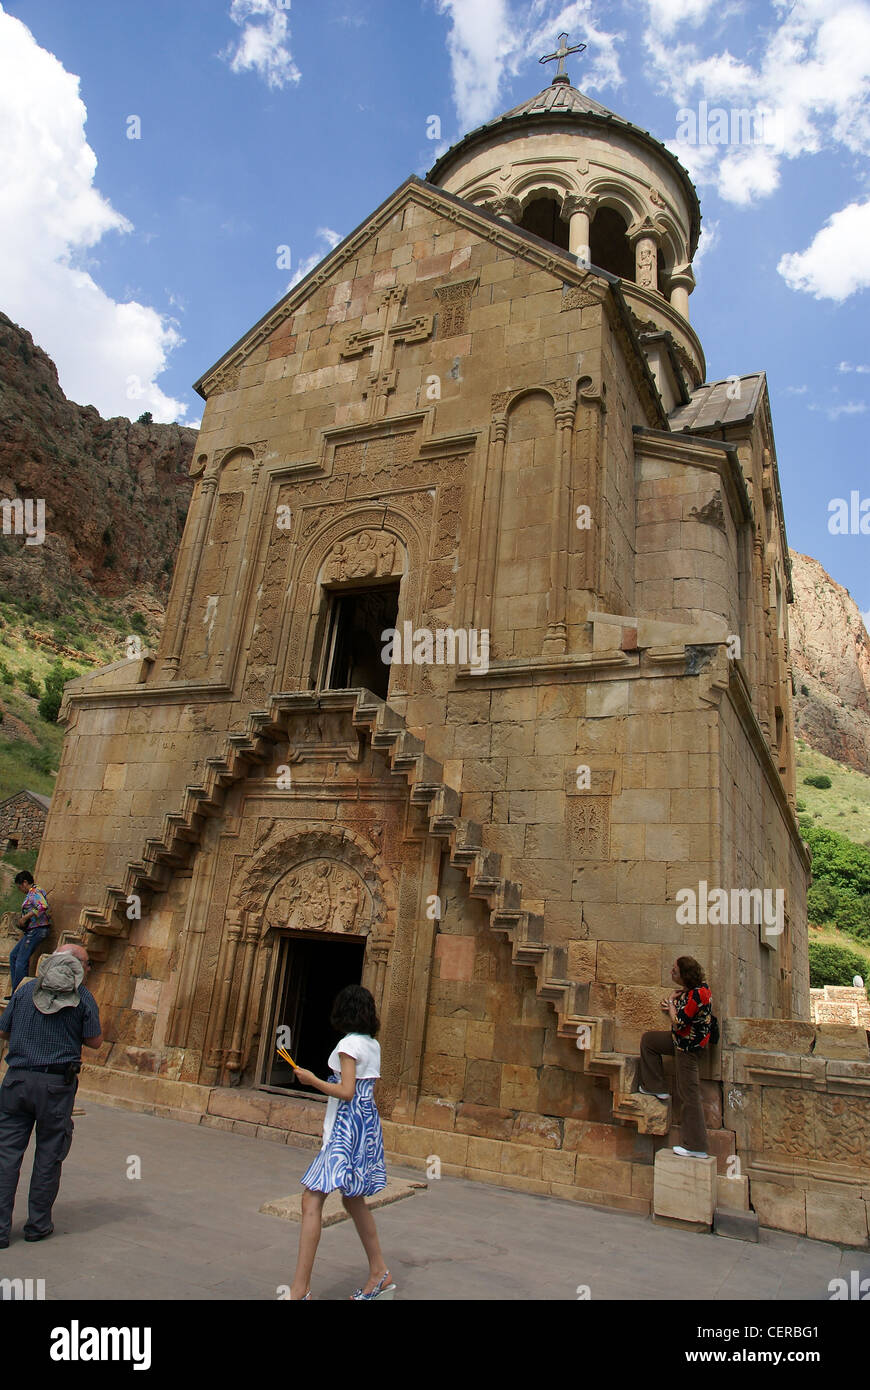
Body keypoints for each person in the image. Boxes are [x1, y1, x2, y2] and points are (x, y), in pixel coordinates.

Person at [287, 984, 395, 1301]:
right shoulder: (372, 1045)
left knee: (311, 1200)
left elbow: (346, 1092)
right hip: (366, 1128)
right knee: (353, 1199)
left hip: (345, 1131)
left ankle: (299, 1292)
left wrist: (312, 1080)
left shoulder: (348, 1045)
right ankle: (380, 1273)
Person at [0, 944, 102, 1246]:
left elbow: (3, 1031)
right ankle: (38, 1225)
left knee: (6, 1156)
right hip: (55, 1086)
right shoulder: (83, 997)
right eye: (87, 964)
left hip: (17, 1081)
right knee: (48, 1154)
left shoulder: (24, 990)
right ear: (77, 966)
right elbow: (95, 1041)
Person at [638, 955, 712, 1159]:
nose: (671, 972)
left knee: (689, 1095)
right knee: (649, 1041)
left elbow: (679, 1022)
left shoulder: (697, 995)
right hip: (680, 1041)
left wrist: (672, 1004)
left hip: (687, 1049)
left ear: (685, 975)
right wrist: (675, 1003)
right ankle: (656, 1087)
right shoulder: (696, 991)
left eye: (675, 971)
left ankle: (696, 1146)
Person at [7, 870, 52, 996]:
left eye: (20, 886)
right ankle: (16, 990)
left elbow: (43, 906)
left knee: (21, 960)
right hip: (31, 930)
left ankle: (21, 993)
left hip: (38, 929)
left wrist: (26, 917)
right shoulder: (31, 894)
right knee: (14, 956)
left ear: (25, 883)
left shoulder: (35, 892)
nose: (20, 889)